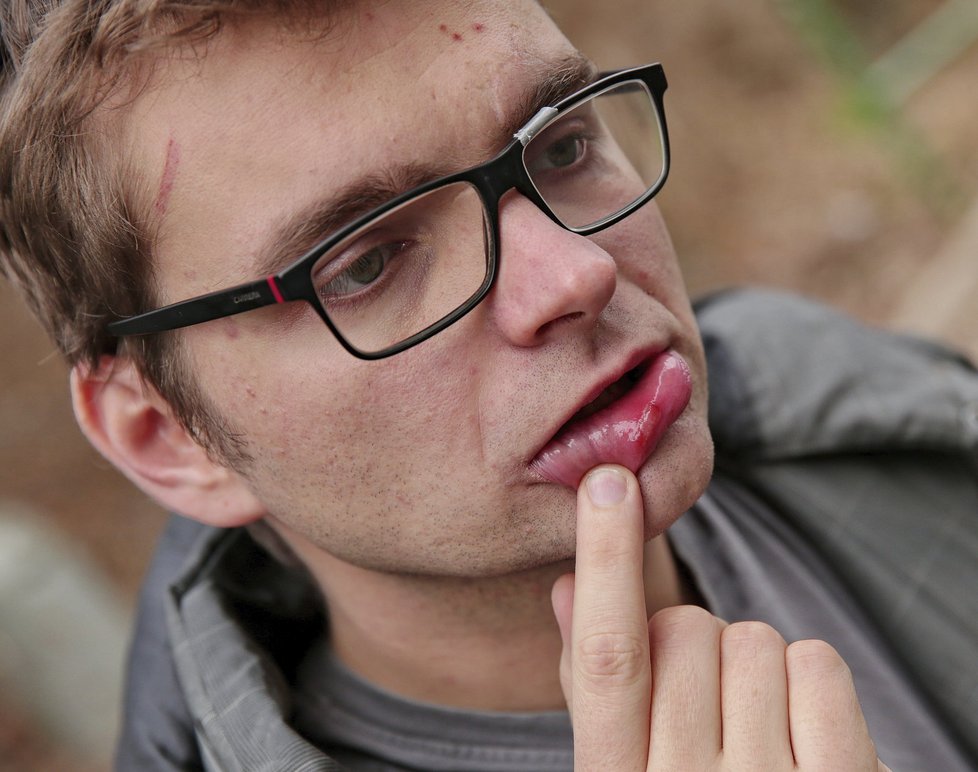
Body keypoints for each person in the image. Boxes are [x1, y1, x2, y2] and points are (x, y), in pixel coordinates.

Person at [1, 1, 976, 770]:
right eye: (366, 263)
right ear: (168, 435)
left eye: (561, 145)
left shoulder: (838, 395)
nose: (576, 274)